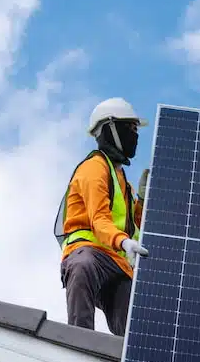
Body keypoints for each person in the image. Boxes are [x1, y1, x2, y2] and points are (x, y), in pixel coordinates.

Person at [54, 97, 151, 335]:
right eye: (130, 129)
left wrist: (142, 200)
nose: (135, 136)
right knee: (82, 266)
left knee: (132, 324)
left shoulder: (122, 182)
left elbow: (132, 227)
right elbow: (99, 220)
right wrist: (123, 242)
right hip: (90, 254)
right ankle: (80, 343)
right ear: (110, 129)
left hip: (118, 264)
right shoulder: (94, 168)